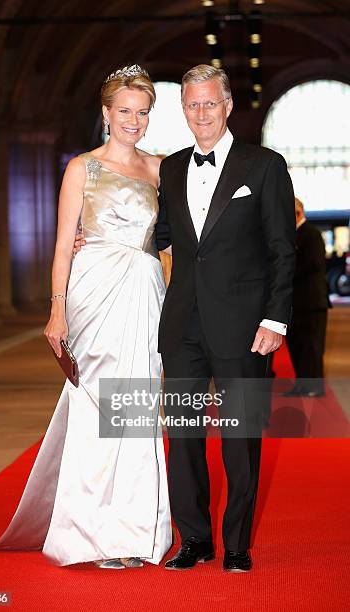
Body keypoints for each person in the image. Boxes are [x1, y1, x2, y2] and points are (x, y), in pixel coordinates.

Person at [0, 64, 172, 569]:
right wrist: (56, 310)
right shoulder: (82, 167)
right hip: (93, 291)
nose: (133, 121)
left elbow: (173, 239)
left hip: (145, 290)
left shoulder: (161, 167)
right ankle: (91, 532)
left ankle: (135, 530)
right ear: (105, 113)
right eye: (124, 111)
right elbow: (62, 246)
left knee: (138, 407)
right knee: (99, 404)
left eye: (142, 112)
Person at [155, 65, 296, 572]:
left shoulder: (264, 166)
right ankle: (194, 539)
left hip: (243, 327)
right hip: (182, 327)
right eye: (192, 104)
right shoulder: (171, 168)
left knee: (240, 440)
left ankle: (236, 544)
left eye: (210, 103)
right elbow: (161, 237)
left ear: (229, 105)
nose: (201, 113)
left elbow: (284, 250)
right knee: (184, 438)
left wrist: (275, 320)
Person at [284, 197, 330, 397]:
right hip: (298, 304)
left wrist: (284, 273)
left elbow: (312, 265)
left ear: (298, 213)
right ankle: (302, 385)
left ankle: (313, 387)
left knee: (311, 347)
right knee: (298, 346)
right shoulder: (295, 235)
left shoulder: (311, 234)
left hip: (311, 303)